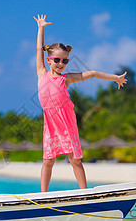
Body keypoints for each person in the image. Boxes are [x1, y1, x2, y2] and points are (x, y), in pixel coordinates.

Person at [33, 14, 128, 192]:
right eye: (57, 60)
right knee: (48, 160)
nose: (61, 63)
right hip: (51, 123)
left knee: (74, 159)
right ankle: (42, 196)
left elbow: (91, 73)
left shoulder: (66, 79)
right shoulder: (41, 74)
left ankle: (84, 192)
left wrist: (115, 78)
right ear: (49, 60)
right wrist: (41, 28)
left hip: (66, 121)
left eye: (65, 60)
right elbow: (39, 49)